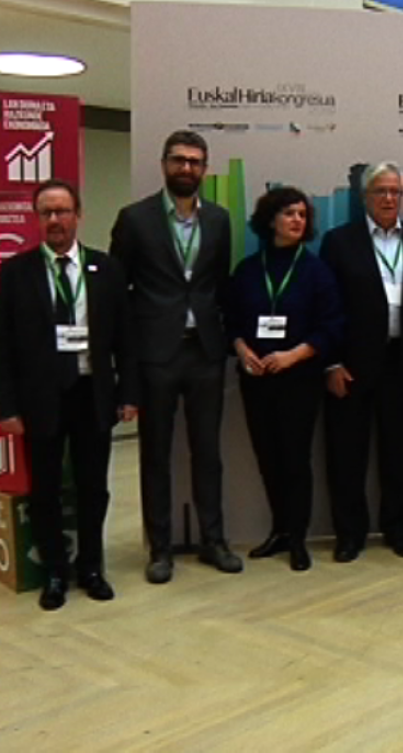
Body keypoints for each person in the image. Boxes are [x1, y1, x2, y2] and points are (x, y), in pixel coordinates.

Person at [0, 179, 138, 610]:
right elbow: (1, 345)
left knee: (95, 488)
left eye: (62, 211)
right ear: (37, 219)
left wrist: (129, 393)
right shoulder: (15, 273)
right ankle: (55, 571)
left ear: (78, 215)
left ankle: (91, 567)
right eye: (46, 212)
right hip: (40, 400)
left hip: (94, 395)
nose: (55, 220)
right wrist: (6, 406)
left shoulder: (106, 269)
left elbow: (125, 341)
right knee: (46, 489)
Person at [109, 130, 241, 583]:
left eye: (195, 162)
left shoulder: (220, 221)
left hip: (204, 351)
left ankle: (213, 540)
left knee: (208, 452)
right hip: (156, 354)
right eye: (179, 160)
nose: (187, 169)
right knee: (157, 454)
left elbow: (219, 285)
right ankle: (160, 549)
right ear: (164, 164)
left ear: (205, 169)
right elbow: (116, 292)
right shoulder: (135, 219)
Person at [221, 187, 343, 571]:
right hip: (257, 380)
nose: (297, 221)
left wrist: (293, 355)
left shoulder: (316, 270)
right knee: (268, 457)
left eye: (303, 216)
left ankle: (298, 538)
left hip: (299, 380)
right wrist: (241, 349)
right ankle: (278, 530)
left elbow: (331, 327)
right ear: (270, 219)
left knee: (295, 458)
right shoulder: (247, 270)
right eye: (289, 213)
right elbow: (231, 322)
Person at [320, 162, 403, 563]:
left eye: (395, 192)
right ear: (364, 197)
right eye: (380, 192)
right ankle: (350, 534)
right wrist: (331, 363)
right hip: (351, 364)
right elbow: (327, 307)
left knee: (400, 452)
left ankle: (400, 530)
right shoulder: (339, 242)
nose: (388, 199)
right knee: (347, 453)